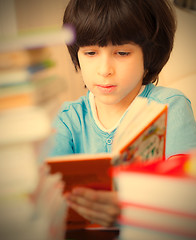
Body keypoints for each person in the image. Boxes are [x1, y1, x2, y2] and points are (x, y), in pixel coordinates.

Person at [49, 0, 196, 227]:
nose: (104, 69)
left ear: (149, 54)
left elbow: (187, 191)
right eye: (90, 52)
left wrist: (129, 209)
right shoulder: (67, 119)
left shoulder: (170, 106)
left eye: (122, 52)